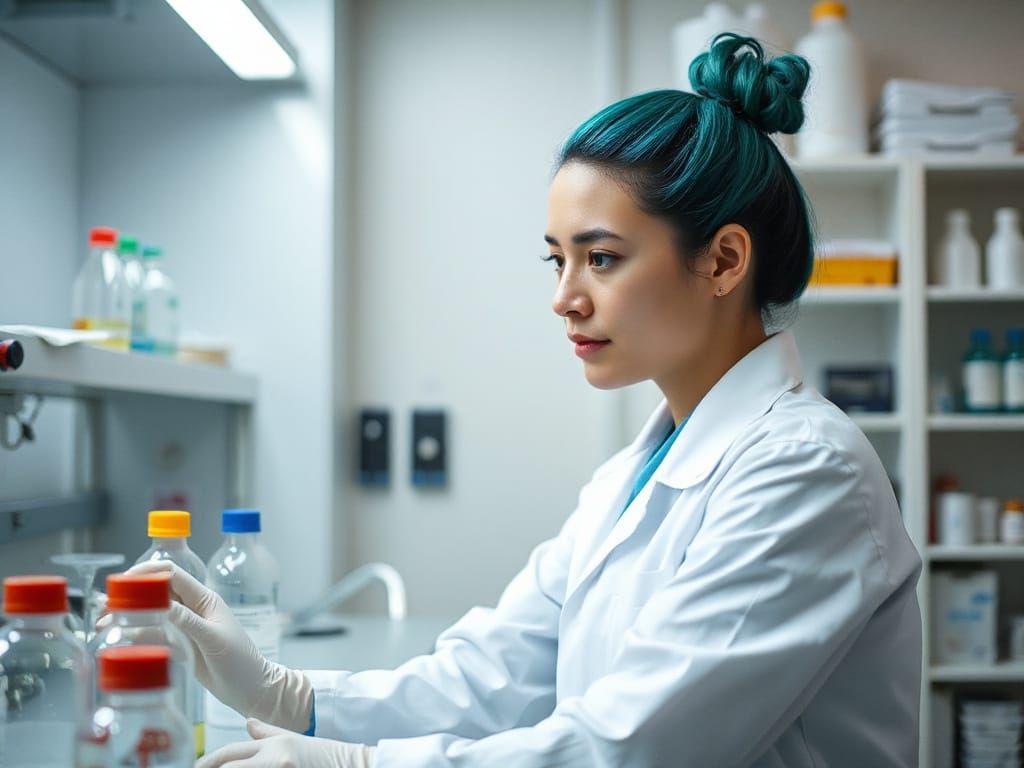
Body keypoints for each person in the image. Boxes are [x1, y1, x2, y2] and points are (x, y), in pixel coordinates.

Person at [137, 34, 923, 768]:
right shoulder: (634, 474)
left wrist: (359, 763)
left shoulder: (807, 474)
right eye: (557, 262)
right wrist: (286, 693)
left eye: (602, 259)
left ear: (723, 260)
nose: (565, 299)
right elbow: (495, 675)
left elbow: (626, 748)